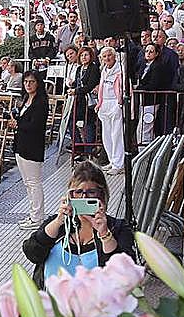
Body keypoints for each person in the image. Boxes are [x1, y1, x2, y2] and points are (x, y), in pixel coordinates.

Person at [22, 161, 137, 289]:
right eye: (78, 192)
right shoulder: (60, 225)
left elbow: (125, 276)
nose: (83, 197)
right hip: (51, 306)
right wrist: (58, 221)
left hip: (98, 306)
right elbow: (32, 253)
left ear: (102, 195)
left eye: (91, 192)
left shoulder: (117, 228)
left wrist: (105, 234)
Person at [10, 70, 49, 230]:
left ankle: (38, 217)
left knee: (34, 182)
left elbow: (36, 125)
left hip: (32, 146)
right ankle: (33, 214)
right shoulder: (26, 98)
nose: (28, 84)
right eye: (26, 82)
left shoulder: (41, 102)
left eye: (31, 82)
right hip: (21, 144)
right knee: (27, 183)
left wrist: (18, 125)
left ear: (37, 83)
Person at [97, 45, 125, 174]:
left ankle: (118, 164)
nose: (107, 58)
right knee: (106, 134)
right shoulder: (103, 70)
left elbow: (124, 88)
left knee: (116, 134)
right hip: (105, 104)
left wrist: (120, 103)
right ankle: (112, 161)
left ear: (114, 56)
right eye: (104, 56)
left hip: (115, 103)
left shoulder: (121, 71)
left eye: (109, 55)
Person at [71, 45, 100, 158]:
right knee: (71, 122)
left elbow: (90, 85)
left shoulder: (93, 68)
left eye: (86, 55)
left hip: (89, 101)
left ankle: (88, 150)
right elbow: (77, 83)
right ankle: (79, 148)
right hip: (79, 101)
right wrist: (72, 86)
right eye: (82, 55)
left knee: (89, 124)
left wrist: (76, 90)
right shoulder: (79, 69)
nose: (84, 57)